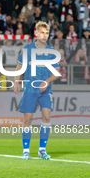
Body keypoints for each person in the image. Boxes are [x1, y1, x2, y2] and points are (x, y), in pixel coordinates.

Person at [14, 21, 60, 160]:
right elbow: (19, 67)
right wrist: (17, 81)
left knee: (46, 117)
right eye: (42, 32)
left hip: (46, 90)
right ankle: (26, 151)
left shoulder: (52, 52)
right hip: (29, 89)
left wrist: (47, 81)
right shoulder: (27, 49)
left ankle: (42, 150)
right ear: (36, 33)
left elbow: (56, 72)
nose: (44, 35)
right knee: (28, 120)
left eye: (46, 33)